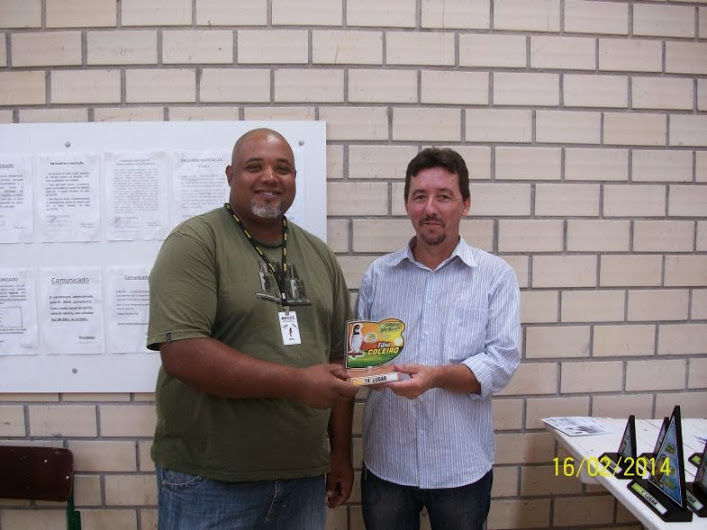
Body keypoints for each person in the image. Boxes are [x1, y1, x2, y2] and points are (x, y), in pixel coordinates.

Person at [147, 128, 359, 529]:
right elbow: (183, 354)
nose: (269, 177)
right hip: (210, 480)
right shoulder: (196, 242)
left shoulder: (319, 255)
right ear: (231, 176)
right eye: (254, 167)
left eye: (283, 168)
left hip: (303, 478)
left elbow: (339, 359)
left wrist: (340, 454)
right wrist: (297, 382)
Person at [356, 147, 521, 530]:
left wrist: (436, 377)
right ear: (407, 204)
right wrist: (370, 375)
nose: (430, 208)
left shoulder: (495, 276)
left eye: (443, 196)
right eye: (419, 196)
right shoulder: (378, 275)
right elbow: (363, 361)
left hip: (460, 466)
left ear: (465, 204)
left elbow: (501, 363)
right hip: (388, 464)